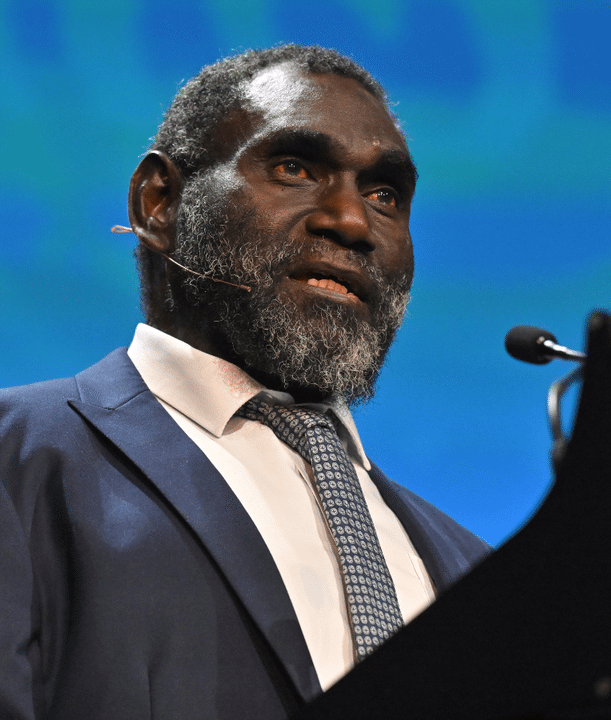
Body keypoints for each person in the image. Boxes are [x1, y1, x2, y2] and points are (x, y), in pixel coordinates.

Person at [0, 46, 488, 720]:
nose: (350, 222)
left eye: (384, 195)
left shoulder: (473, 572)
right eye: (294, 167)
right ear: (159, 202)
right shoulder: (18, 458)